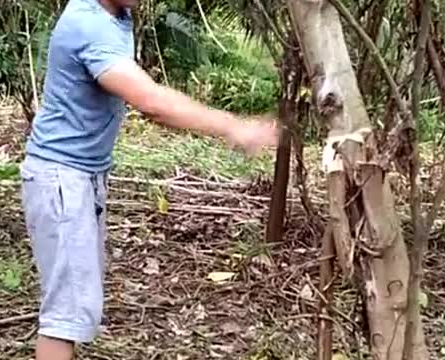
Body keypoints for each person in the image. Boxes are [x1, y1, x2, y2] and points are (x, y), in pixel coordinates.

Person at [19, 0, 278, 358]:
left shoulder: (117, 16)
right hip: (63, 180)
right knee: (65, 316)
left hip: (81, 177)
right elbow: (151, 101)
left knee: (75, 306)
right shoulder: (88, 25)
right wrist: (233, 126)